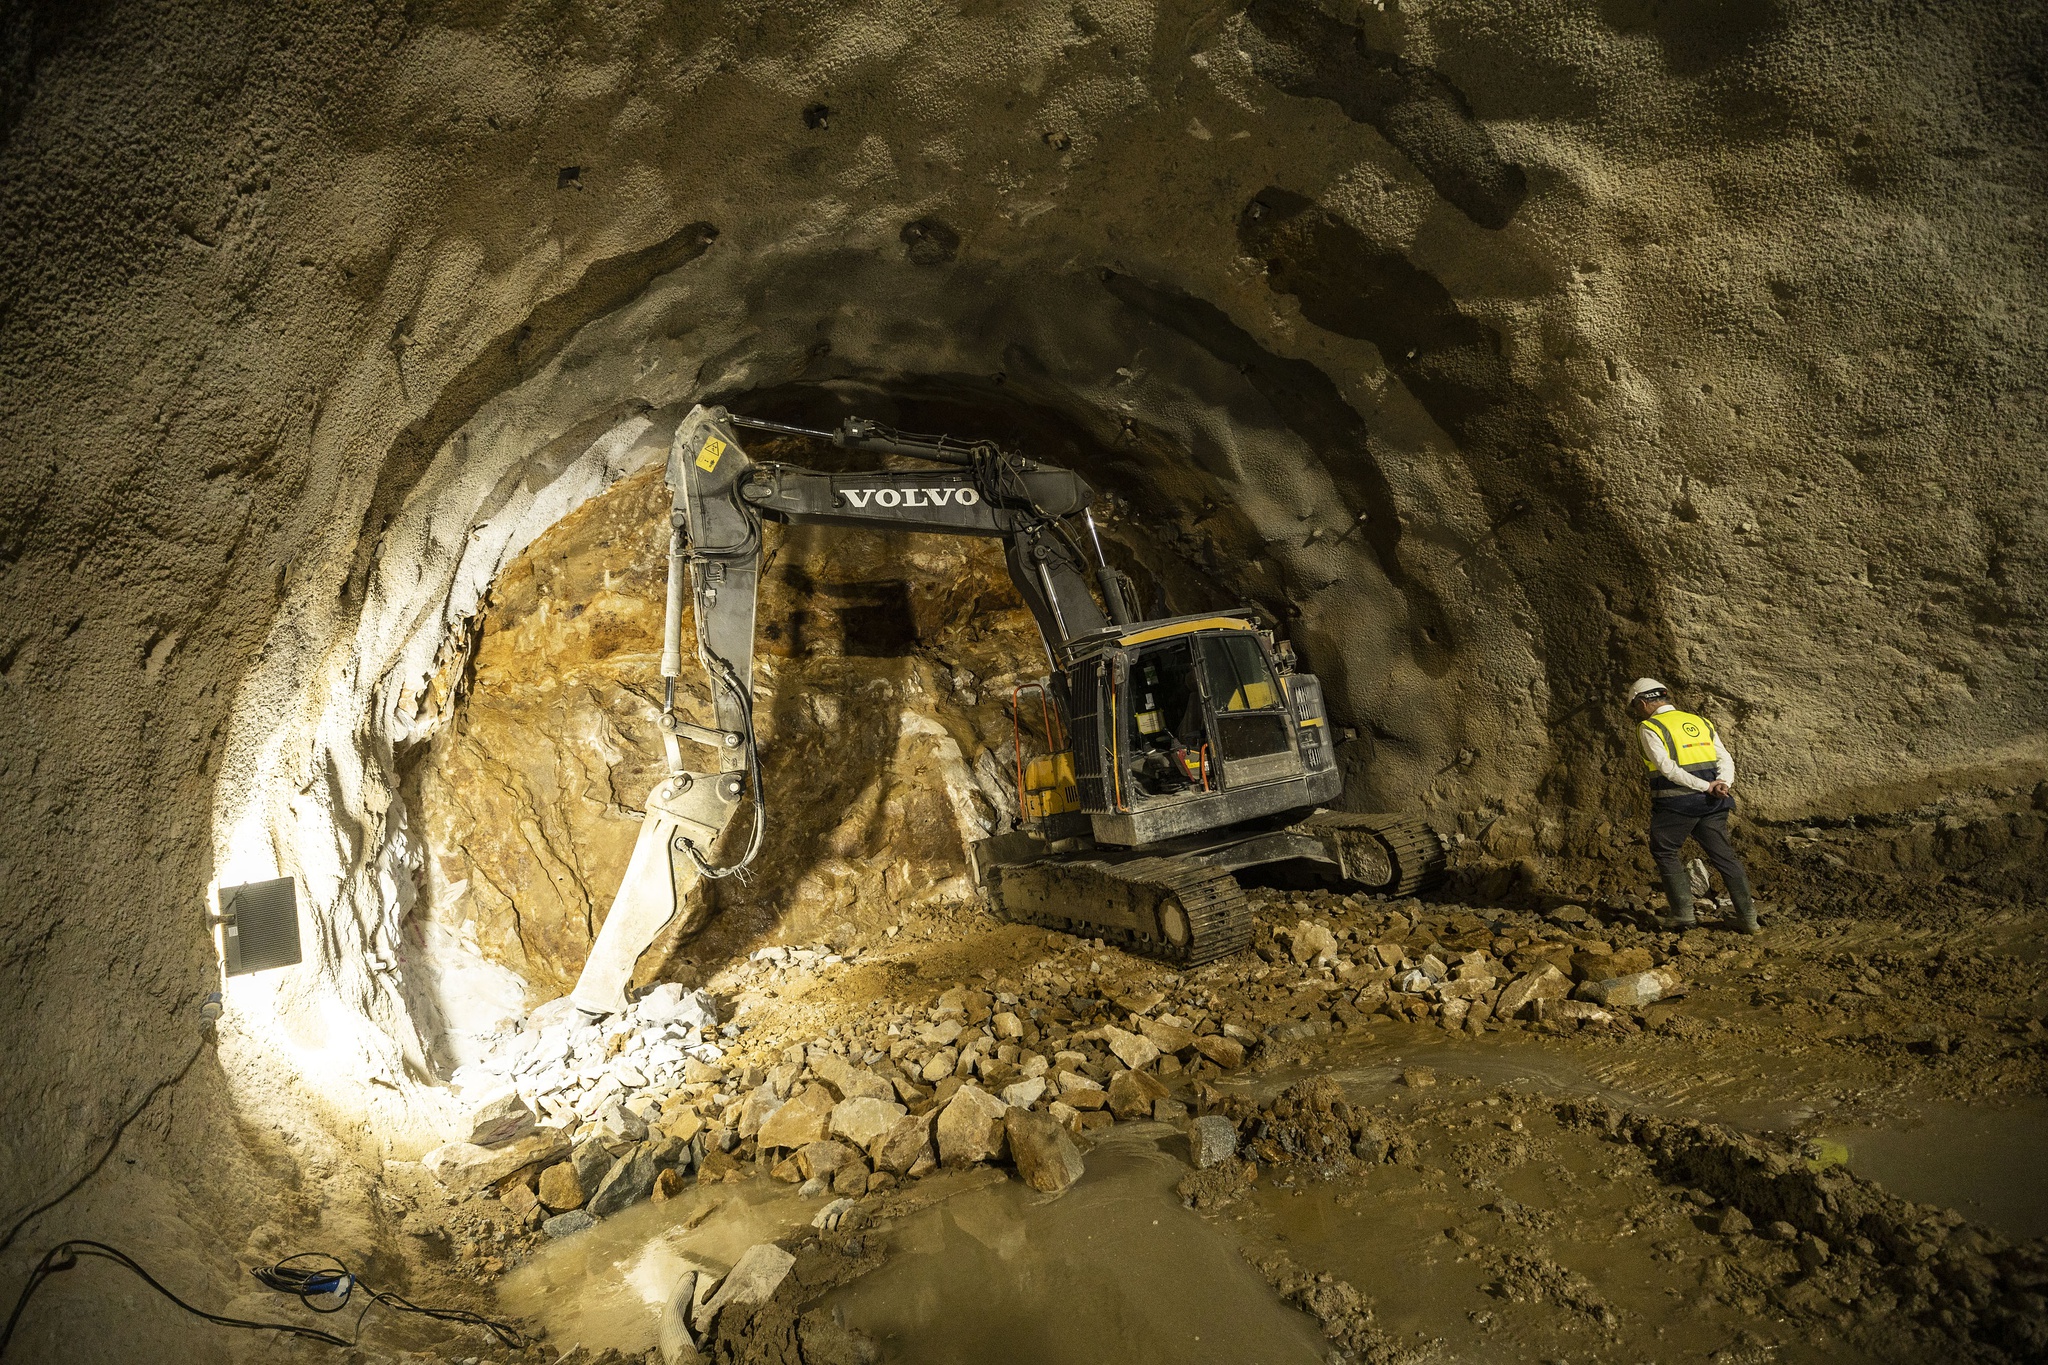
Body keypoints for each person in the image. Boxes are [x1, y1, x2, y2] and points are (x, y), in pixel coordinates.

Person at [1625, 677, 1758, 933]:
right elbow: (1724, 757)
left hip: (1678, 805)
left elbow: (1667, 769)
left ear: (1642, 703)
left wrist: (1705, 786)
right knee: (1725, 857)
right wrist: (1723, 784)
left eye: (1635, 707)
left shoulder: (1650, 727)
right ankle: (1749, 919)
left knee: (1664, 850)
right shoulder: (1699, 721)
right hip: (1713, 803)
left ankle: (1683, 915)